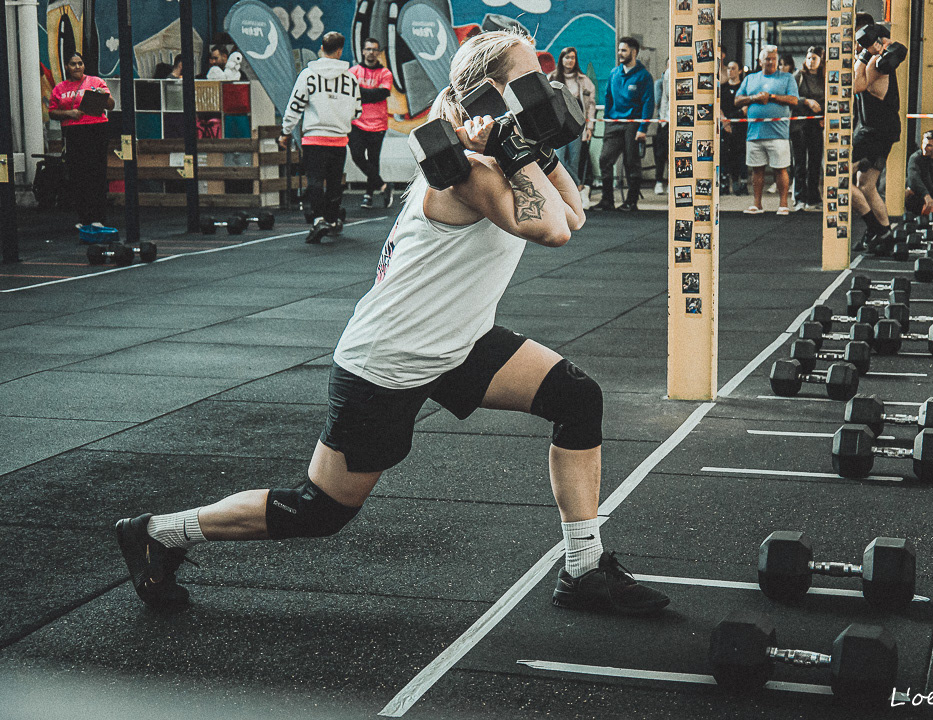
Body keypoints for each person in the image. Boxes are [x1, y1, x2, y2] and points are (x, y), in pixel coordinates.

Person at [114, 29, 670, 620]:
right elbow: (553, 229)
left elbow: (576, 213)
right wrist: (511, 151)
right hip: (391, 358)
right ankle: (161, 532)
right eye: (530, 79)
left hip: (458, 342)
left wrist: (528, 145)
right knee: (319, 510)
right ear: (490, 94)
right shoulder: (462, 169)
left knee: (576, 397)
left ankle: (584, 568)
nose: (546, 88)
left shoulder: (498, 150)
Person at [279, 32, 365, 244]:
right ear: (339, 51)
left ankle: (319, 220)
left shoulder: (308, 75)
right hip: (338, 138)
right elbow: (358, 111)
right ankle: (332, 219)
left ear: (321, 48)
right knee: (335, 182)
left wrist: (285, 132)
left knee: (315, 181)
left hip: (314, 138)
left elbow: (295, 106)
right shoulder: (351, 78)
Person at [851, 21, 906, 249]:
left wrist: (865, 53)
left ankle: (875, 228)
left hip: (874, 132)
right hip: (881, 130)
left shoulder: (874, 61)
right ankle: (885, 235)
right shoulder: (876, 59)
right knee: (866, 185)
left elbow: (855, 86)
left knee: (838, 180)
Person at [47, 51, 114, 230]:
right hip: (74, 131)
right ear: (67, 67)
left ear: (84, 65)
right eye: (73, 64)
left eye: (80, 63)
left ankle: (98, 217)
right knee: (78, 174)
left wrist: (103, 95)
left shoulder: (96, 81)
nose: (77, 67)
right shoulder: (60, 88)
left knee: (96, 172)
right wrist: (69, 113)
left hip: (96, 129)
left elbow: (111, 105)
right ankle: (84, 217)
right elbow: (51, 112)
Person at [734, 45, 799, 215]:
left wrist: (771, 97)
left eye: (774, 59)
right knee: (757, 169)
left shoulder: (787, 78)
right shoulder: (750, 79)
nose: (771, 62)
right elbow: (737, 100)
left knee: (780, 168)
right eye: (767, 59)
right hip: (754, 132)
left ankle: (783, 204)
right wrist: (753, 98)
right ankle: (757, 204)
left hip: (778, 133)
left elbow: (794, 100)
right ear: (760, 61)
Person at [595, 37, 654, 212]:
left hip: (633, 125)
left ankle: (631, 201)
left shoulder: (644, 76)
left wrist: (642, 128)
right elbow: (608, 97)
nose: (620, 53)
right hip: (614, 123)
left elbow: (648, 103)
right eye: (619, 50)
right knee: (605, 159)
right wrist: (607, 119)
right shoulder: (614, 73)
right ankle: (607, 200)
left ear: (634, 52)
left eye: (624, 50)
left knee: (631, 162)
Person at [348, 37, 395, 209]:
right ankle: (383, 185)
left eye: (374, 50)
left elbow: (381, 95)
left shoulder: (385, 73)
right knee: (357, 156)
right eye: (368, 49)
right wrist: (370, 94)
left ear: (378, 53)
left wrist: (361, 93)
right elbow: (353, 94)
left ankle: (368, 194)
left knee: (374, 160)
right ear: (363, 51)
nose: (371, 53)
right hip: (357, 122)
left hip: (378, 124)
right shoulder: (353, 72)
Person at [550, 46, 596, 208]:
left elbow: (591, 106)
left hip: (577, 128)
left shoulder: (584, 81)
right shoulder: (552, 79)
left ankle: (574, 199)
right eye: (566, 57)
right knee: (559, 160)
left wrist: (589, 127)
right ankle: (581, 187)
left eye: (572, 57)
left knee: (574, 162)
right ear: (561, 59)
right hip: (557, 128)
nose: (569, 60)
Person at [791, 46, 825, 210]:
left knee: (815, 161)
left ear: (821, 61)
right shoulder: (798, 76)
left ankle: (813, 197)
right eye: (809, 58)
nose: (811, 61)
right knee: (800, 162)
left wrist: (824, 115)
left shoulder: (823, 78)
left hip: (816, 124)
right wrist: (806, 101)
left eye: (815, 58)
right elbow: (791, 97)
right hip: (799, 124)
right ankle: (799, 197)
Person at [719, 60, 746, 194]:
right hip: (725, 125)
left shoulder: (743, 88)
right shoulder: (722, 88)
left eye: (734, 68)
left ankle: (738, 182)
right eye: (728, 68)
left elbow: (746, 108)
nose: (730, 71)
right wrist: (725, 121)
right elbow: (718, 107)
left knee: (739, 154)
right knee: (724, 154)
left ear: (740, 71)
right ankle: (724, 183)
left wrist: (732, 120)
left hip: (740, 126)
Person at [653, 59, 669, 196]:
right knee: (660, 154)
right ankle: (659, 182)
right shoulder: (660, 83)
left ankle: (671, 182)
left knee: (673, 154)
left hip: (676, 122)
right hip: (663, 121)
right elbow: (659, 101)